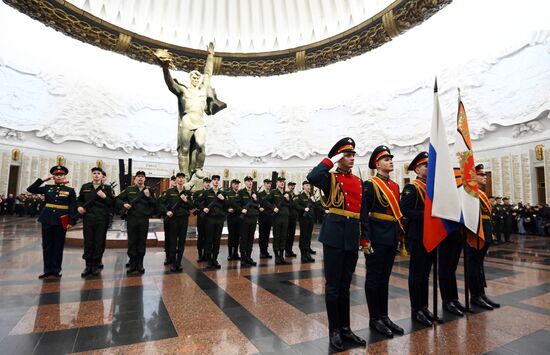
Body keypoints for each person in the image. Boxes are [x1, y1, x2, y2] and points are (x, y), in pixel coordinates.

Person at [307, 137, 366, 352]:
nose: (351, 158)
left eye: (352, 155)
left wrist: (364, 237)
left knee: (345, 285)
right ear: (340, 158)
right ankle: (334, 331)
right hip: (334, 235)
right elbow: (312, 176)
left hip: (351, 235)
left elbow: (363, 212)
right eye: (347, 155)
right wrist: (330, 160)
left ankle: (346, 328)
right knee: (333, 286)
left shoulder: (358, 182)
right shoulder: (329, 179)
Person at [156, 43, 226, 179]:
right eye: (193, 77)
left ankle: (199, 168)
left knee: (201, 145)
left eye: (197, 78)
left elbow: (208, 73)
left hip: (199, 121)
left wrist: (210, 56)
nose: (196, 79)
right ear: (190, 78)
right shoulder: (183, 90)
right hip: (187, 120)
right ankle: (185, 173)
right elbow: (170, 83)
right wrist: (165, 69)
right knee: (185, 149)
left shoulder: (203, 90)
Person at [361, 145, 404, 338]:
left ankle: (384, 316)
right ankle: (374, 318)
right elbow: (364, 214)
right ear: (377, 164)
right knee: (374, 278)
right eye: (386, 159)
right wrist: (365, 238)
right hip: (376, 238)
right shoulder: (371, 185)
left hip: (391, 236)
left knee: (384, 279)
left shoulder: (394, 186)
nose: (391, 161)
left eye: (391, 158)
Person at [400, 151, 435, 327]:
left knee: (425, 273)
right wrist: (428, 215)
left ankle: (425, 307)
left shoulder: (431, 187)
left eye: (429, 165)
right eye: (425, 165)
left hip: (431, 234)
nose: (429, 168)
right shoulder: (412, 188)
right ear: (417, 169)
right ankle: (416, 310)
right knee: (416, 273)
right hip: (417, 234)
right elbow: (405, 210)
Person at [27, 165, 77, 279]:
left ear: (64, 177)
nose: (59, 177)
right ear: (53, 177)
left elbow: (73, 207)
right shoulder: (47, 187)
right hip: (47, 219)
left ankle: (56, 270)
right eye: (56, 175)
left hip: (61, 220)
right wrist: (42, 180)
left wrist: (71, 221)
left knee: (58, 245)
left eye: (61, 175)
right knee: (47, 245)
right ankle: (47, 270)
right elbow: (30, 189)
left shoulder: (70, 190)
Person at [466, 164, 501, 310]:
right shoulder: (471, 193)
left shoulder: (482, 193)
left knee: (479, 266)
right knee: (473, 267)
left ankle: (481, 294)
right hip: (476, 233)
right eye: (481, 175)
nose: (484, 177)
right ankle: (475, 296)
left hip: (485, 231)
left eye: (485, 175)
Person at [77, 167, 115, 277]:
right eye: (94, 173)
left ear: (102, 176)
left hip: (101, 218)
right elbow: (80, 199)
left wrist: (104, 197)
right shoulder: (85, 187)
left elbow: (112, 203)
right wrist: (79, 207)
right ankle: (88, 265)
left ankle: (95, 265)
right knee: (88, 241)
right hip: (88, 218)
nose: (96, 175)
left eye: (99, 173)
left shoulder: (107, 188)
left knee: (99, 242)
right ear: (92, 174)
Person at [117, 171, 156, 275]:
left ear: (145, 179)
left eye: (142, 177)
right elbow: (118, 199)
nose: (140, 178)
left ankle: (140, 264)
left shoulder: (149, 190)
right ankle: (132, 263)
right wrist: (124, 204)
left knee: (142, 242)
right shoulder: (129, 189)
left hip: (143, 219)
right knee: (132, 241)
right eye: (138, 176)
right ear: (135, 179)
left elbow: (155, 204)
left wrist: (149, 197)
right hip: (132, 219)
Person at [158, 172, 191, 272]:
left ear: (184, 180)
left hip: (184, 219)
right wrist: (166, 211)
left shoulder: (187, 193)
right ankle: (172, 262)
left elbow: (192, 205)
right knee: (172, 241)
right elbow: (160, 203)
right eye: (179, 178)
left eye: (182, 178)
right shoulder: (169, 192)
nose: (181, 179)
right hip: (173, 220)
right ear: (175, 180)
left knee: (181, 242)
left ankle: (179, 262)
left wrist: (186, 201)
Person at [196, 175, 227, 269]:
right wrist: (203, 208)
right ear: (212, 182)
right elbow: (196, 202)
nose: (216, 181)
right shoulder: (207, 192)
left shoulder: (223, 193)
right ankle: (209, 260)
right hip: (209, 219)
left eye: (218, 180)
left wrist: (223, 199)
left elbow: (229, 205)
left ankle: (215, 259)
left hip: (220, 219)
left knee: (217, 240)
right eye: (214, 180)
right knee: (209, 240)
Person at [263, 177, 291, 265]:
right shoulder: (273, 192)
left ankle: (281, 256)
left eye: (283, 182)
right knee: (277, 237)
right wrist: (273, 208)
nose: (282, 183)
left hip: (285, 217)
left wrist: (288, 199)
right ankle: (276, 257)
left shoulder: (286, 193)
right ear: (277, 183)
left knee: (283, 237)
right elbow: (265, 201)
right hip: (277, 218)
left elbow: (291, 205)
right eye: (280, 182)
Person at [238, 176, 259, 267]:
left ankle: (248, 257)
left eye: (251, 181)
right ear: (245, 182)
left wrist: (255, 199)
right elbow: (235, 203)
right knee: (244, 238)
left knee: (251, 238)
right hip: (245, 219)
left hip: (253, 218)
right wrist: (241, 209)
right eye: (248, 181)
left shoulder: (254, 193)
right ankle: (243, 258)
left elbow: (259, 205)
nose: (250, 183)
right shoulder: (241, 192)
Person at [293, 181, 316, 263]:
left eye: (309, 185)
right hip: (304, 219)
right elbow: (295, 205)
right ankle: (303, 255)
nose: (309, 187)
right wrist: (303, 209)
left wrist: (314, 201)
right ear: (303, 187)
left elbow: (316, 206)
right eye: (307, 185)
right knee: (303, 237)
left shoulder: (311, 196)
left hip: (311, 219)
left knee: (308, 236)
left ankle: (307, 253)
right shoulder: (300, 196)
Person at [193, 177, 211, 262]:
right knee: (201, 236)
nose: (208, 184)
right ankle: (200, 255)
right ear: (203, 183)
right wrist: (202, 208)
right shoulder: (198, 193)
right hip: (201, 217)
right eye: (206, 182)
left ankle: (207, 254)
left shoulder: (211, 193)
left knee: (208, 237)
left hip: (209, 217)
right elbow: (195, 203)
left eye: (209, 182)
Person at [226, 179, 242, 261]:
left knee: (237, 235)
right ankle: (230, 253)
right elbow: (225, 204)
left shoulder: (240, 193)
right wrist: (228, 209)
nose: (237, 185)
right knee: (231, 235)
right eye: (235, 184)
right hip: (231, 217)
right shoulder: (228, 193)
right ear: (232, 185)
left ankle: (236, 252)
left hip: (239, 216)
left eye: (238, 184)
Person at [257, 179, 273, 259]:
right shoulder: (260, 194)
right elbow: (257, 204)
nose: (269, 185)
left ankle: (266, 251)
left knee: (267, 235)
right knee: (262, 234)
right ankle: (261, 252)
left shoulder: (272, 193)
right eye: (267, 183)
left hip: (269, 216)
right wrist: (259, 208)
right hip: (262, 217)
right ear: (264, 184)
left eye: (270, 184)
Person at [163, 175, 177, 265]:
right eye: (173, 180)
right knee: (168, 238)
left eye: (176, 180)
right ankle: (168, 257)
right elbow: (160, 204)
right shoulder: (166, 192)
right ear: (171, 181)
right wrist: (166, 211)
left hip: (176, 219)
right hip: (168, 218)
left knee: (174, 239)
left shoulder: (181, 193)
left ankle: (173, 256)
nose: (175, 182)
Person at [285, 182, 298, 257]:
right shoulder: (286, 194)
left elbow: (297, 205)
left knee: (292, 234)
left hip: (294, 217)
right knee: (287, 235)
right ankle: (286, 250)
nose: (292, 187)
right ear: (288, 186)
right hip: (288, 217)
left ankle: (290, 250)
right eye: (291, 186)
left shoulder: (296, 195)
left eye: (293, 185)